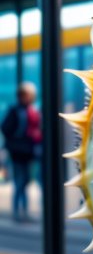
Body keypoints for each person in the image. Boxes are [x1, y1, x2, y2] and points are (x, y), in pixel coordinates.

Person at [1, 82, 42, 222]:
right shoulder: (15, 110)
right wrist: (18, 140)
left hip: (29, 152)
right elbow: (6, 128)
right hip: (18, 152)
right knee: (20, 181)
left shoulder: (32, 110)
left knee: (25, 181)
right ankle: (18, 211)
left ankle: (23, 211)